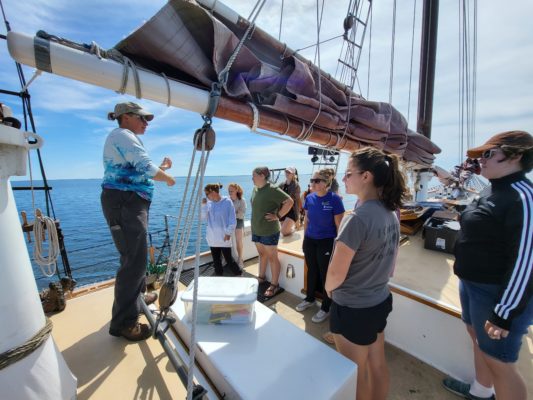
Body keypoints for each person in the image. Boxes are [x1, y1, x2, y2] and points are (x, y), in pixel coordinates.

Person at [442, 130, 533, 400]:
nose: (481, 160)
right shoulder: (494, 190)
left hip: (497, 294)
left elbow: (527, 260)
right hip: (473, 284)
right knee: (479, 342)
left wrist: (504, 312)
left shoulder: (523, 197)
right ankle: (481, 391)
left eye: (488, 154)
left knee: (500, 363)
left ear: (516, 156)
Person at [325, 147, 407, 400]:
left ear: (366, 176)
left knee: (355, 374)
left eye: (349, 173)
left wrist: (329, 290)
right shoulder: (390, 211)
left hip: (353, 308)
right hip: (379, 301)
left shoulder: (357, 219)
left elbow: (336, 274)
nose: (345, 178)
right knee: (377, 363)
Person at [101, 102, 175, 341]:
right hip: (125, 203)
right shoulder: (123, 135)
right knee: (133, 260)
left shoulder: (123, 137)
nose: (146, 123)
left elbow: (136, 169)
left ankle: (138, 297)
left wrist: (160, 167)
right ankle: (124, 323)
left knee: (137, 256)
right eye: (142, 119)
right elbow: (144, 166)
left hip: (129, 202)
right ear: (126, 117)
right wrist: (167, 177)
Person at [295, 169, 345, 323]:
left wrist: (338, 247)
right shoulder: (309, 198)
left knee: (325, 274)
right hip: (310, 240)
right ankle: (309, 298)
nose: (313, 183)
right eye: (312, 180)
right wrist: (305, 238)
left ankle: (326, 306)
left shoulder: (335, 200)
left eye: (317, 180)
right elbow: (307, 220)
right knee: (312, 270)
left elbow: (339, 225)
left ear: (326, 183)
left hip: (326, 241)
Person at [251, 167, 294, 297]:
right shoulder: (255, 189)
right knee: (261, 254)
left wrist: (278, 215)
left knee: (272, 257)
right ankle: (261, 277)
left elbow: (290, 202)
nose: (252, 178)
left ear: (263, 175)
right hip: (256, 229)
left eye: (253, 175)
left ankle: (275, 285)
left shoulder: (272, 189)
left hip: (269, 230)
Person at [202, 183, 242, 276]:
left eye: (207, 194)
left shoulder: (227, 202)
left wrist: (228, 233)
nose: (206, 196)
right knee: (216, 261)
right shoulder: (208, 203)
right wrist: (203, 206)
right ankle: (219, 278)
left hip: (224, 237)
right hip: (212, 238)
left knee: (229, 260)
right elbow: (203, 217)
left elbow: (232, 220)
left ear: (213, 192)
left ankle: (239, 275)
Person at [279, 166, 301, 236]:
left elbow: (295, 199)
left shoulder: (296, 185)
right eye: (286, 171)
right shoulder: (282, 185)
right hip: (283, 210)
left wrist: (300, 212)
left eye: (289, 172)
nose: (287, 173)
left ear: (293, 174)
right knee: (284, 232)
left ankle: (294, 231)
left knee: (284, 231)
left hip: (292, 211)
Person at [228, 183, 246, 268]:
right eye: (229, 190)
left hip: (238, 221)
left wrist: (233, 213)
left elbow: (241, 214)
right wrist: (235, 212)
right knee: (226, 240)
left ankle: (240, 258)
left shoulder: (242, 200)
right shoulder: (227, 200)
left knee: (239, 240)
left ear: (236, 190)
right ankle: (226, 258)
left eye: (232, 190)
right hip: (229, 222)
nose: (230, 192)